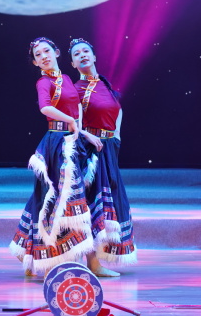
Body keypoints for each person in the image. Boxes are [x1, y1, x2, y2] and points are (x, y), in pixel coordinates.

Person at [9, 37, 94, 277]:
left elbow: (76, 109)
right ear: (35, 63)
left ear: (56, 53)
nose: (44, 56)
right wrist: (70, 121)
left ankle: (56, 257)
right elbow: (45, 108)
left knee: (69, 200)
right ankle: (46, 259)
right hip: (56, 143)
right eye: (38, 55)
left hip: (71, 141)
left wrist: (82, 131)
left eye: (47, 51)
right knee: (53, 198)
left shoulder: (66, 79)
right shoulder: (43, 82)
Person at [69, 38, 137, 277]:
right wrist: (87, 139)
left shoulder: (105, 85)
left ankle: (96, 260)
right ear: (73, 63)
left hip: (108, 149)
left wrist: (115, 141)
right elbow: (71, 124)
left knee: (108, 203)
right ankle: (92, 264)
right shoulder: (75, 90)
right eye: (77, 54)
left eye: (86, 51)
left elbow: (117, 115)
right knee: (90, 204)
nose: (82, 55)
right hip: (89, 153)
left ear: (94, 56)